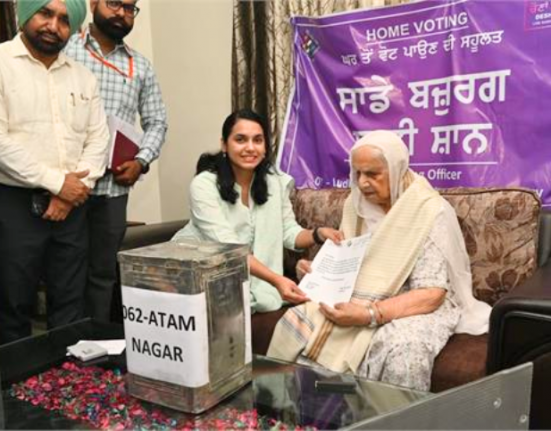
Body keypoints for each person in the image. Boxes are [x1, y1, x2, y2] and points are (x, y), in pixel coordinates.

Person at [268, 131, 491, 391]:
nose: (362, 183)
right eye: (357, 173)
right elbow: (350, 258)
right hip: (361, 294)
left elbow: (432, 294)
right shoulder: (356, 203)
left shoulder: (429, 210)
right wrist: (317, 272)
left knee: (403, 349)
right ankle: (305, 412)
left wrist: (369, 314)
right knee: (299, 320)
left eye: (372, 174)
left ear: (397, 170)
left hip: (420, 302)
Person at [0, 0, 110, 344]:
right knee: (12, 305)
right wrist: (58, 183)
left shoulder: (83, 77)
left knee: (70, 305)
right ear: (25, 16)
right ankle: (14, 390)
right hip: (14, 206)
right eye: (45, 14)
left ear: (73, 28)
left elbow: (99, 141)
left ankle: (67, 388)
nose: (53, 25)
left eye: (64, 19)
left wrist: (71, 191)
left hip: (73, 208)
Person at [172, 109, 342, 313]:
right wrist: (276, 279)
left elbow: (289, 232)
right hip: (195, 278)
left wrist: (318, 234)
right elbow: (230, 248)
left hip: (256, 286)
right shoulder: (203, 185)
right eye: (241, 140)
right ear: (224, 144)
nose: (250, 148)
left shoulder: (275, 182)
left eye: (258, 140)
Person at [64, 0, 168, 322]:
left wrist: (141, 161)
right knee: (64, 275)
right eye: (114, 4)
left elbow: (157, 122)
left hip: (112, 192)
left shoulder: (141, 66)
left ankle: (92, 353)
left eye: (130, 8)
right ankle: (61, 355)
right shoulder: (66, 48)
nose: (122, 13)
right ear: (93, 3)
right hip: (66, 187)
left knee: (102, 276)